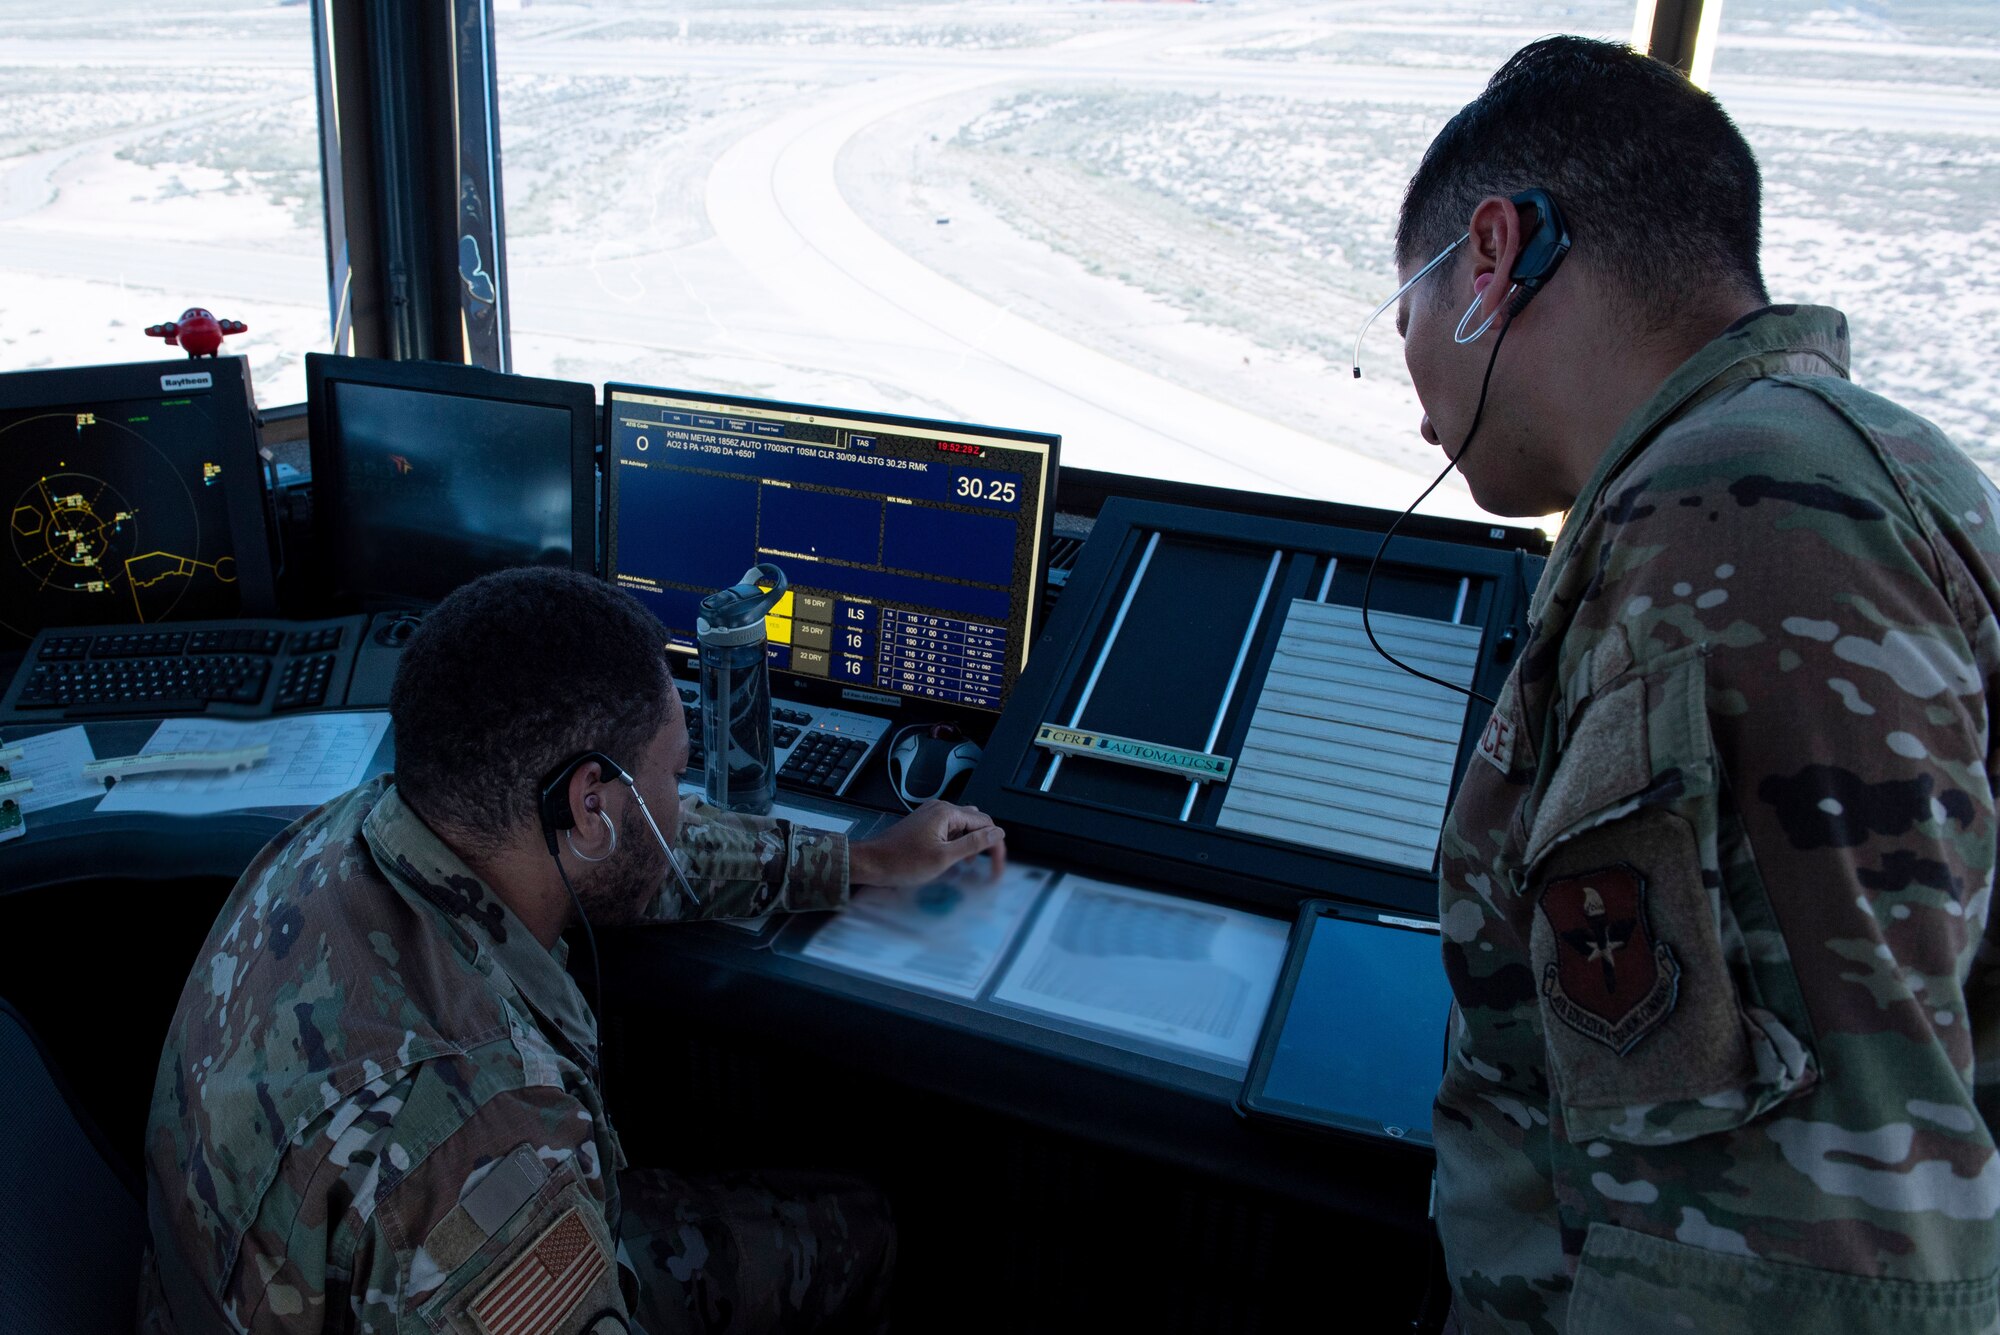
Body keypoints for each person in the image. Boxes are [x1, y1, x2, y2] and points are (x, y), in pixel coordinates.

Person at [1392, 36, 2000, 1335]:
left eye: (1403, 322)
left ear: (1493, 259)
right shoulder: (1855, 460)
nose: (1419, 415)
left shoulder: (1733, 538)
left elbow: (1774, 1260)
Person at [137, 567, 1007, 1335]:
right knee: (864, 1229)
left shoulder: (365, 827)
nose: (681, 798)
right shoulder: (481, 1135)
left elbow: (643, 849)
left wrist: (859, 860)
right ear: (592, 804)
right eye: (673, 773)